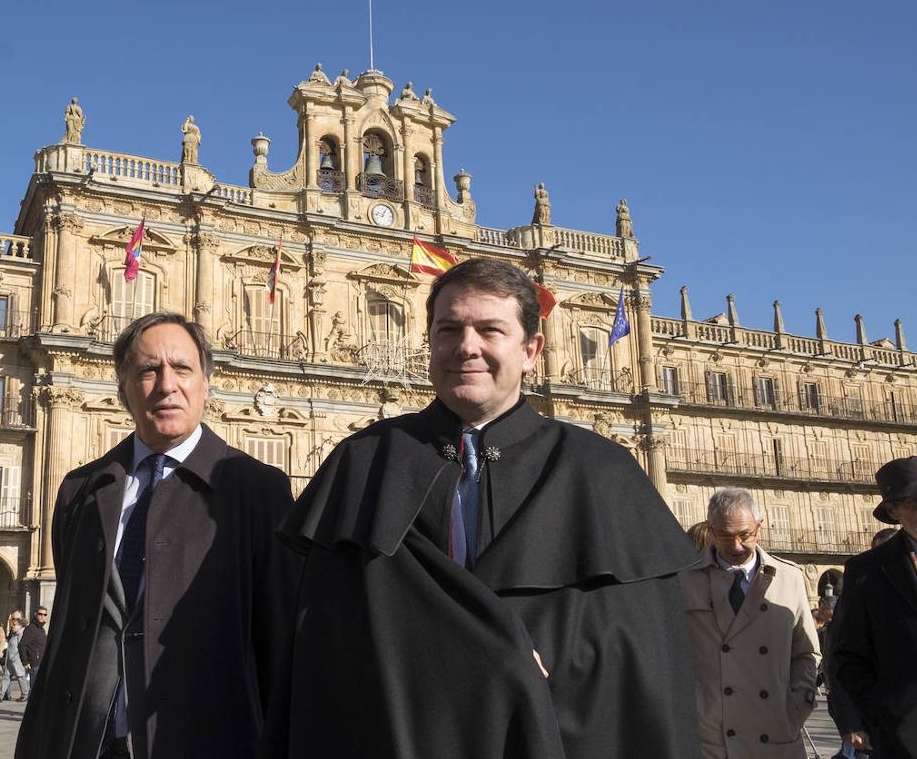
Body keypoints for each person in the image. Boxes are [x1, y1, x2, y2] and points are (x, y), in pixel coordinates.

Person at [268, 259, 699, 759]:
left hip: (550, 733)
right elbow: (320, 634)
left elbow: (643, 654)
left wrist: (539, 656)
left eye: (489, 330)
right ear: (430, 342)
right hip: (396, 732)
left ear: (531, 350)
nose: (466, 347)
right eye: (449, 329)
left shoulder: (601, 471)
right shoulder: (362, 462)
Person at [14, 311, 297, 759]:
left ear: (207, 381)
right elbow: (70, 633)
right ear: (123, 387)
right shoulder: (81, 489)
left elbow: (281, 646)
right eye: (148, 370)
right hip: (88, 743)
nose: (167, 385)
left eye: (182, 368)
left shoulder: (259, 491)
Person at [679, 488, 819, 758]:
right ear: (711, 529)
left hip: (775, 733)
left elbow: (806, 651)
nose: (736, 546)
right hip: (710, 738)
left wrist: (798, 704)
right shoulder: (684, 579)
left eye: (745, 534)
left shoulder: (789, 577)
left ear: (760, 526)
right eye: (725, 536)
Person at [833, 456, 917, 758]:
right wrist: (884, 714)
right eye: (912, 502)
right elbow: (848, 657)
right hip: (906, 739)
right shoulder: (867, 571)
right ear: (893, 510)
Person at [0, 615, 29, 702]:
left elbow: (22, 647)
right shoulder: (14, 635)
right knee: (6, 677)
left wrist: (19, 658)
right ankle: (0, 695)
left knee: (20, 678)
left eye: (15, 625)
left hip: (17, 660)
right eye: (13, 624)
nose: (13, 626)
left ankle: (24, 695)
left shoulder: (21, 634)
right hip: (9, 660)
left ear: (20, 626)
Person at [18, 606, 47, 681]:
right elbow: (22, 645)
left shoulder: (42, 629)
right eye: (40, 614)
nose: (42, 616)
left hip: (41, 662)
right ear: (35, 614)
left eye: (44, 615)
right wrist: (25, 662)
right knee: (34, 687)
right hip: (34, 663)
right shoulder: (31, 628)